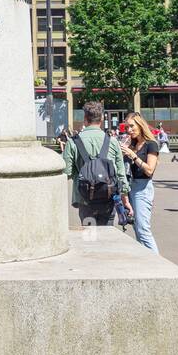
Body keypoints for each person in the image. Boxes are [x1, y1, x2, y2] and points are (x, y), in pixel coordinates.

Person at [63, 100, 132, 228]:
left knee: (89, 237)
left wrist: (79, 174)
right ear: (101, 119)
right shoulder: (112, 141)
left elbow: (66, 172)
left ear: (85, 119)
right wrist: (125, 199)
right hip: (108, 197)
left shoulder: (73, 142)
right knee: (107, 236)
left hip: (84, 198)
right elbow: (120, 173)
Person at [118, 112, 161, 253]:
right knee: (137, 229)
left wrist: (133, 156)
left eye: (132, 126)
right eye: (127, 127)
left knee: (143, 230)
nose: (129, 130)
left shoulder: (151, 145)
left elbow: (149, 170)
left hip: (143, 188)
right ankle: (147, 262)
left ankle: (159, 264)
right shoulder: (132, 143)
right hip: (131, 187)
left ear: (140, 125)